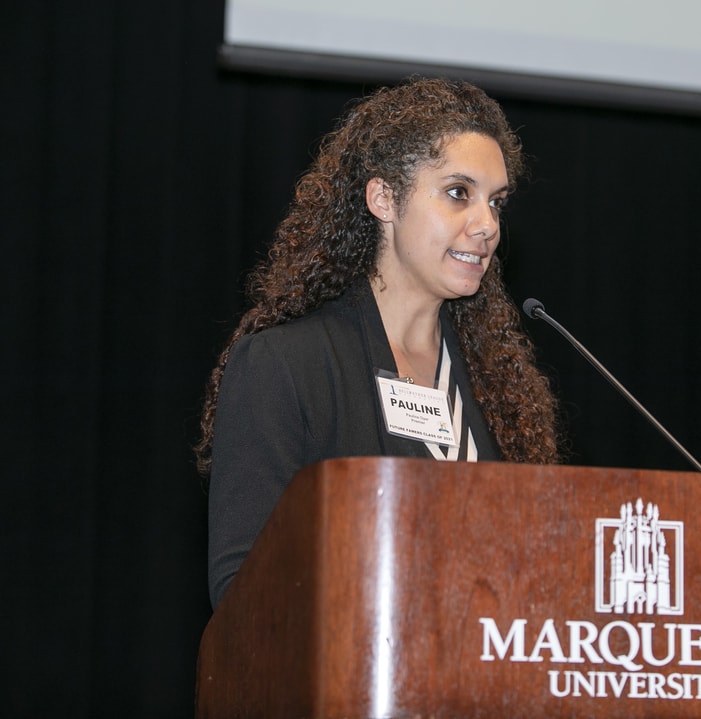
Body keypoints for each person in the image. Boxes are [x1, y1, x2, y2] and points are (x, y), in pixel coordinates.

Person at [195, 77, 562, 609]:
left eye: (496, 203)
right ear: (384, 198)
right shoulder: (286, 365)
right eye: (459, 193)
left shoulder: (497, 385)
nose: (487, 226)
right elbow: (243, 590)